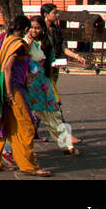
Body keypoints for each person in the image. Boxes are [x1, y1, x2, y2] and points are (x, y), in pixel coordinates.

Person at [0, 15, 50, 176]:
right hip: (12, 89)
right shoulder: (17, 44)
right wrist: (9, 93)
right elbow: (7, 67)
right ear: (25, 29)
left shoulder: (6, 40)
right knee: (25, 126)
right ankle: (28, 165)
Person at [27, 15, 79, 154]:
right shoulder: (25, 41)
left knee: (54, 113)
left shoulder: (47, 41)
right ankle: (24, 149)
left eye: (37, 28)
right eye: (32, 28)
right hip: (27, 83)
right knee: (24, 116)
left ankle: (66, 145)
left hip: (43, 82)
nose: (34, 31)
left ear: (43, 29)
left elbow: (51, 59)